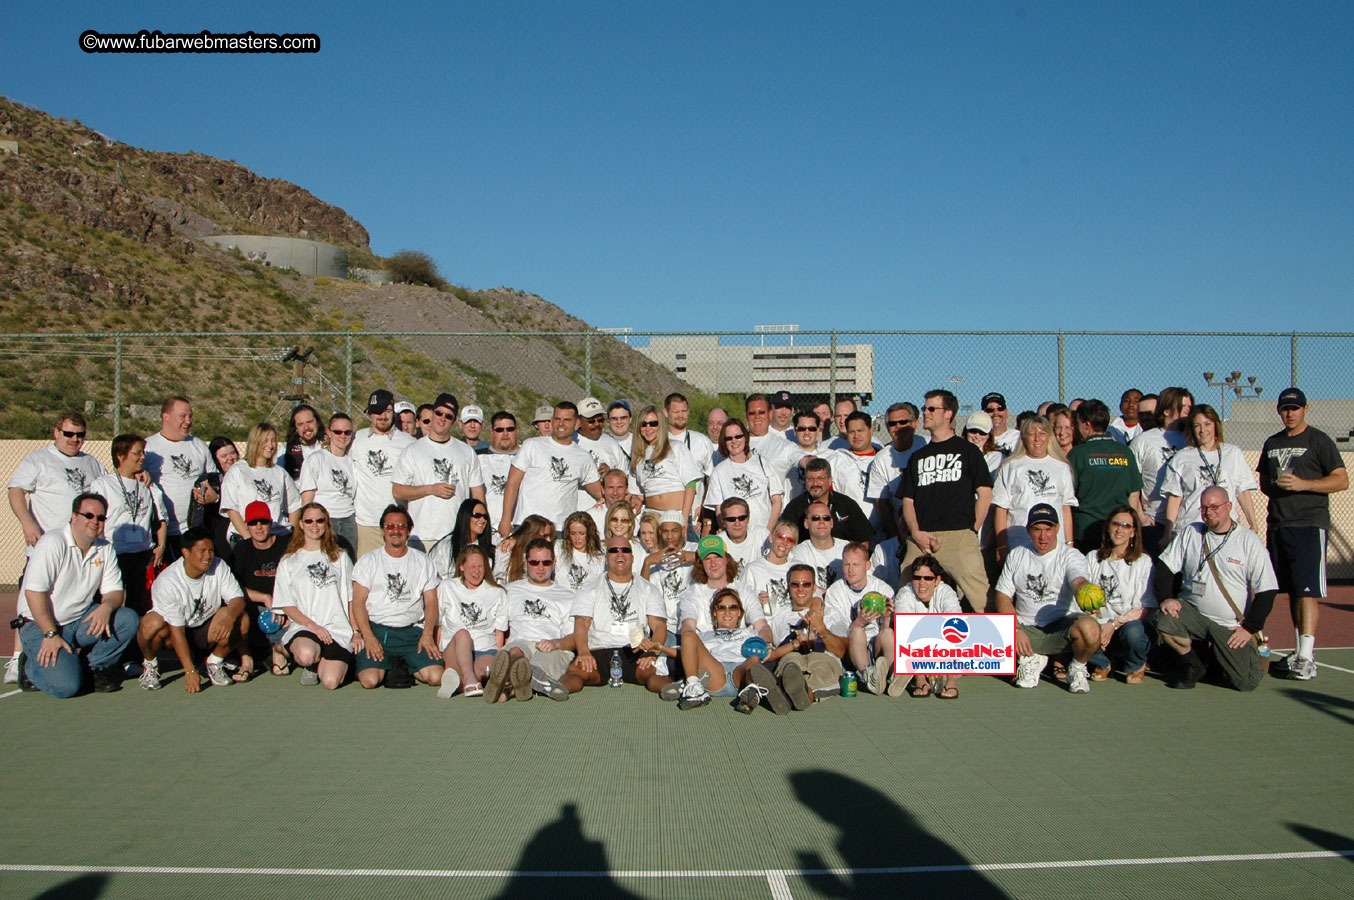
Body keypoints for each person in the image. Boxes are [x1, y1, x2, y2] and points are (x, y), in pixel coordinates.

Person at [1258, 387, 1349, 681]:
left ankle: (1307, 657)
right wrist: (1276, 485)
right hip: (1278, 525)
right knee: (1292, 591)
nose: (1290, 413)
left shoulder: (1319, 440)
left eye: (1295, 408)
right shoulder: (1272, 443)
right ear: (1279, 410)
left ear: (1305, 410)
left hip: (1309, 525)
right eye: (1285, 408)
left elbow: (1341, 480)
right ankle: (1300, 652)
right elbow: (1264, 480)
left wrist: (1302, 484)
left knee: (1307, 591)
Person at [1153, 486, 1277, 691]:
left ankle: (1215, 659)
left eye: (1214, 506)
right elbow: (1164, 567)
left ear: (1228, 506)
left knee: (1247, 682)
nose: (1208, 512)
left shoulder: (1249, 541)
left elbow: (1268, 590)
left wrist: (1249, 629)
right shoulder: (1191, 533)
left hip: (1229, 625)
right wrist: (1166, 597)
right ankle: (1192, 664)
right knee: (1164, 619)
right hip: (1193, 614)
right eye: (1204, 508)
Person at [15, 493, 136, 697]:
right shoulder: (52, 543)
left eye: (100, 517)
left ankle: (94, 668)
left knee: (127, 619)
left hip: (78, 621)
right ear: (73, 517)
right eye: (88, 515)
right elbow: (34, 593)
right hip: (40, 626)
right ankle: (29, 666)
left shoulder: (105, 549)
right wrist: (50, 634)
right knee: (66, 687)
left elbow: (114, 591)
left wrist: (106, 607)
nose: (95, 521)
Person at [896, 390, 993, 611]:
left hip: (960, 536)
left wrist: (972, 529)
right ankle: (902, 642)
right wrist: (916, 533)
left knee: (983, 599)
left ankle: (1001, 642)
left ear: (948, 413)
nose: (926, 413)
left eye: (932, 408)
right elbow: (908, 502)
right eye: (925, 408)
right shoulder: (917, 457)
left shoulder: (969, 451)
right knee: (905, 587)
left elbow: (985, 493)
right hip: (922, 537)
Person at [993, 503, 1098, 693]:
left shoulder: (1071, 556)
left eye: (1048, 529)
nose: (1043, 537)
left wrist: (1083, 589)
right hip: (1026, 629)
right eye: (1037, 529)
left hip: (1060, 629)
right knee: (991, 627)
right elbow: (1002, 596)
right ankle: (1032, 658)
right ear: (1028, 530)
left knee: (1090, 628)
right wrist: (1015, 629)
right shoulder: (1017, 555)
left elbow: (1078, 579)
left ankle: (1077, 666)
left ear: (1057, 529)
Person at [136, 528, 249, 691]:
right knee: (149, 623)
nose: (208, 556)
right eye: (202, 551)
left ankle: (213, 662)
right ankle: (150, 665)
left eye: (211, 550)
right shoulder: (168, 581)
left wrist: (230, 619)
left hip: (206, 628)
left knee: (241, 618)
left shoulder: (219, 565)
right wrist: (189, 671)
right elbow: (177, 631)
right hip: (175, 633)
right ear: (186, 553)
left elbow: (237, 598)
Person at [561, 535, 670, 695]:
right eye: (614, 550)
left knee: (652, 672)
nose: (620, 554)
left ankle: (670, 690)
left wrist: (652, 653)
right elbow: (581, 625)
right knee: (577, 671)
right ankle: (558, 690)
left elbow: (659, 626)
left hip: (635, 649)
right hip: (599, 649)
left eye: (625, 550)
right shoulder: (590, 587)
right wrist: (584, 652)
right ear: (606, 559)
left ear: (632, 558)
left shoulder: (648, 589)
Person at [350, 504, 443, 690]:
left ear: (409, 531)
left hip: (411, 632)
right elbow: (358, 603)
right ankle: (392, 665)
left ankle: (403, 664)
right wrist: (368, 636)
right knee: (369, 681)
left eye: (401, 526)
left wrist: (427, 635)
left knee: (436, 677)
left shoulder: (423, 561)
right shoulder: (368, 561)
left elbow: (431, 601)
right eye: (390, 526)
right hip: (378, 630)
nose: (395, 531)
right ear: (383, 531)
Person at [273, 502, 356, 689]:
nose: (314, 525)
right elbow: (287, 605)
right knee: (306, 655)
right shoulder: (288, 561)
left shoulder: (340, 557)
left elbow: (351, 599)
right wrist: (313, 626)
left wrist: (356, 632)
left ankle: (324, 661)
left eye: (319, 520)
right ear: (300, 524)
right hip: (306, 628)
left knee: (331, 682)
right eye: (308, 520)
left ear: (326, 523)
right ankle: (286, 651)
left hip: (336, 629)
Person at [671, 587, 789, 715]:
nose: (727, 612)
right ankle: (694, 689)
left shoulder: (751, 632)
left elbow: (770, 652)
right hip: (715, 672)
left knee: (754, 659)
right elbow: (686, 653)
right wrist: (659, 649)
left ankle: (751, 690)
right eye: (721, 608)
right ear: (715, 612)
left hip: (740, 673)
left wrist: (793, 644)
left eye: (732, 607)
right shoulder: (705, 635)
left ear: (739, 612)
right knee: (688, 635)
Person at [392, 392, 485, 552]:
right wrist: (430, 489)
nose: (442, 418)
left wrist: (479, 527)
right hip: (422, 536)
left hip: (457, 535)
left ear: (454, 422)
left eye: (448, 416)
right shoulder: (412, 450)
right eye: (439, 413)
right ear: (433, 413)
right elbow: (398, 491)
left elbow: (477, 494)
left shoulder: (466, 452)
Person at [8, 412, 106, 560]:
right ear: (56, 432)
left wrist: (138, 473)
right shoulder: (39, 459)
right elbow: (16, 491)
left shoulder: (92, 462)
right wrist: (28, 524)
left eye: (80, 435)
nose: (75, 439)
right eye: (69, 434)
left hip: (84, 550)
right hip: (48, 548)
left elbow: (109, 488)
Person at [90, 433, 167, 615]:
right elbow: (96, 520)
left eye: (143, 453)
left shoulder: (148, 485)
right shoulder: (103, 485)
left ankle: (135, 641)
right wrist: (100, 548)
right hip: (115, 553)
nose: (142, 457)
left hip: (142, 554)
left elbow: (160, 518)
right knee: (108, 601)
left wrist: (161, 546)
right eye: (137, 453)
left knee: (138, 604)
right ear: (120, 455)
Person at [1161, 403, 1258, 548]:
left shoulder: (1233, 453)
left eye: (1207, 424)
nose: (1202, 430)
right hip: (1192, 527)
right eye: (1197, 425)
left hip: (1225, 529)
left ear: (1215, 425)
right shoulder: (1182, 458)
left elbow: (1242, 491)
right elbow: (1175, 498)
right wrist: (1167, 534)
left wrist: (1253, 525)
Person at [499, 402, 602, 535]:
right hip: (528, 525)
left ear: (577, 423)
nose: (561, 424)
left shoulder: (583, 457)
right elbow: (512, 483)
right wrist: (506, 520)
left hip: (560, 529)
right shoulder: (532, 445)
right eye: (557, 419)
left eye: (567, 420)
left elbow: (599, 491)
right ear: (552, 420)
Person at [499, 538, 577, 701]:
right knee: (514, 653)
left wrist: (555, 643)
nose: (540, 568)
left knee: (536, 666)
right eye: (534, 562)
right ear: (525, 562)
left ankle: (508, 687)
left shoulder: (568, 596)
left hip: (553, 647)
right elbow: (498, 628)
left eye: (546, 562)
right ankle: (522, 684)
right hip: (521, 641)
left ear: (554, 563)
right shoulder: (509, 590)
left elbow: (574, 639)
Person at [1084, 506, 1155, 683]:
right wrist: (1093, 620)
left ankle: (1136, 665)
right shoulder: (1093, 558)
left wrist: (1113, 625)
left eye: (1126, 526)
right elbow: (1081, 599)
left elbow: (1144, 608)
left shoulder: (1143, 562)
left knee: (1135, 632)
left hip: (1127, 624)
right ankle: (1102, 663)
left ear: (1133, 532)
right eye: (1116, 524)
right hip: (1099, 624)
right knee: (1078, 626)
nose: (1119, 529)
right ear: (1108, 527)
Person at [760, 562, 846, 708]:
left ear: (814, 588)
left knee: (822, 670)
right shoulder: (778, 617)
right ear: (788, 586)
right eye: (795, 584)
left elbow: (840, 651)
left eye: (806, 584)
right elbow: (771, 651)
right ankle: (798, 695)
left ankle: (793, 696)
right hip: (791, 655)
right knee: (790, 665)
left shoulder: (831, 613)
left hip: (823, 656)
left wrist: (822, 629)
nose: (800, 589)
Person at [142, 398, 217, 561]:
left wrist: (214, 495)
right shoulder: (148, 447)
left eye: (190, 416)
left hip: (193, 532)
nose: (188, 421)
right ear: (165, 417)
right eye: (182, 416)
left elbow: (214, 480)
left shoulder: (199, 446)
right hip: (162, 534)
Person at [1067, 399, 1146, 552]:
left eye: (1077, 423)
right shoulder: (1125, 452)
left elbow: (1067, 495)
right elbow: (1134, 497)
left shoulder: (1077, 454)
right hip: (1119, 530)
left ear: (1086, 425)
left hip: (1086, 531)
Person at [991, 415, 1077, 557]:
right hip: (1019, 544)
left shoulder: (1062, 467)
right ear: (1023, 438)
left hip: (1055, 548)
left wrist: (1069, 544)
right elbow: (1001, 509)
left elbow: (1065, 508)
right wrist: (1001, 546)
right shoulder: (1010, 466)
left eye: (1042, 434)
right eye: (1031, 434)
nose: (1037, 439)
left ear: (1049, 437)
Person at [437, 545, 510, 699]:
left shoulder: (497, 592)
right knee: (463, 634)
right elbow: (439, 625)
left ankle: (461, 682)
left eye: (480, 566)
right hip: (455, 648)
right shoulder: (447, 587)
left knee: (485, 672)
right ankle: (469, 679)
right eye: (472, 567)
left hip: (484, 649)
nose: (476, 572)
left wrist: (497, 653)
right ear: (462, 567)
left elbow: (499, 634)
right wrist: (439, 653)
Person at [350, 388, 416, 557]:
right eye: (376, 411)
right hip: (366, 524)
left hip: (397, 524)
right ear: (369, 414)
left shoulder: (408, 442)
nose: (382, 416)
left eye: (386, 411)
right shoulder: (357, 439)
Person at [230, 500, 291, 677]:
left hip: (282, 607)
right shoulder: (241, 550)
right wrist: (264, 597)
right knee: (236, 609)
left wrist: (280, 605)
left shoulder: (285, 546)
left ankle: (277, 653)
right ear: (246, 526)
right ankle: (246, 660)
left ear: (270, 523)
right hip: (253, 605)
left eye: (263, 522)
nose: (258, 527)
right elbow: (233, 587)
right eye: (253, 523)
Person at [826, 542, 896, 695]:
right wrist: (859, 622)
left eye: (856, 564)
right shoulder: (835, 592)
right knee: (857, 631)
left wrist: (886, 619)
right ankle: (869, 677)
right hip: (852, 651)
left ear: (867, 565)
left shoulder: (883, 589)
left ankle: (891, 676)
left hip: (876, 647)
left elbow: (886, 630)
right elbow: (838, 636)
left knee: (888, 633)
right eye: (846, 564)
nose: (850, 570)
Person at [1131, 386, 1194, 551]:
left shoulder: (1191, 440)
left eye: (1190, 407)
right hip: (1154, 522)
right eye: (1184, 406)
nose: (1188, 411)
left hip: (1186, 522)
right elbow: (1132, 486)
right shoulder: (1143, 441)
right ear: (1166, 410)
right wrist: (1141, 518)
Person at [890, 556, 963, 698]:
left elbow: (955, 622)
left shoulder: (946, 592)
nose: (922, 583)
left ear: (937, 580)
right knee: (904, 634)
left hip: (943, 654)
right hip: (916, 652)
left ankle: (951, 681)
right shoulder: (905, 593)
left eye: (928, 578)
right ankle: (920, 678)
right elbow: (905, 628)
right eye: (917, 578)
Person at [219, 422, 301, 544]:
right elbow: (232, 509)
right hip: (246, 538)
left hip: (276, 537)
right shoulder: (238, 471)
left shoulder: (279, 472)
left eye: (273, 440)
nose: (270, 445)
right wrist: (248, 540)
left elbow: (295, 505)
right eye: (265, 440)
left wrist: (291, 535)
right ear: (255, 441)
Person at [706, 417, 786, 532]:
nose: (734, 441)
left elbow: (776, 500)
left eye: (738, 436)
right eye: (729, 438)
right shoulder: (719, 471)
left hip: (764, 531)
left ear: (745, 437)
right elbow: (719, 510)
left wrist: (768, 531)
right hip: (736, 536)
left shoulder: (763, 462)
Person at [679, 536, 767, 637]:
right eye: (707, 559)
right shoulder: (692, 594)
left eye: (717, 557)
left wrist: (765, 644)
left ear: (726, 559)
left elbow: (762, 627)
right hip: (706, 648)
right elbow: (688, 627)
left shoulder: (743, 590)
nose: (713, 564)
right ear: (701, 564)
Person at [629, 405, 699, 529]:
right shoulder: (638, 455)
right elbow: (637, 493)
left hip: (676, 515)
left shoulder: (675, 447)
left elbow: (691, 485)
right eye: (643, 424)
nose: (648, 428)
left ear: (661, 425)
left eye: (653, 423)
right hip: (651, 516)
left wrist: (683, 518)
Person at [298, 412, 358, 556]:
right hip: (325, 519)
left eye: (347, 432)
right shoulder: (316, 459)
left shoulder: (351, 462)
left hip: (348, 519)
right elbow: (307, 499)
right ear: (328, 433)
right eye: (337, 431)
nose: (342, 436)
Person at [867, 403, 927, 539]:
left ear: (915, 423)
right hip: (902, 528)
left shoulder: (927, 445)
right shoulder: (881, 459)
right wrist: (896, 536)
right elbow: (881, 502)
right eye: (893, 423)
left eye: (903, 422)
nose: (898, 427)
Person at [780, 457, 872, 544]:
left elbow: (863, 540)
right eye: (810, 479)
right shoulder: (795, 508)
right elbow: (783, 538)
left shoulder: (846, 505)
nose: (815, 483)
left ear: (830, 480)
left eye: (820, 478)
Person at [786, 410, 855, 502]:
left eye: (812, 428)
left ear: (818, 430)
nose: (807, 432)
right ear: (795, 431)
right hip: (791, 511)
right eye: (802, 428)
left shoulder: (831, 456)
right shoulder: (785, 454)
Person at [573, 396, 628, 508]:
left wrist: (610, 474)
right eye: (591, 421)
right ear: (579, 421)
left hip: (609, 509)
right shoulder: (572, 442)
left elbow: (625, 475)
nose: (597, 424)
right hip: (579, 507)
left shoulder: (611, 443)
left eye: (600, 420)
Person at [743, 521, 800, 620]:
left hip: (795, 621)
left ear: (793, 546)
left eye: (790, 540)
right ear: (771, 537)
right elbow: (741, 604)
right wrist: (756, 602)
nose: (784, 543)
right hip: (766, 625)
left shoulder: (799, 568)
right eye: (780, 537)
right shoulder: (753, 569)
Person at [789, 500, 850, 591]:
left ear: (831, 523)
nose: (821, 521)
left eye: (826, 518)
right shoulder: (799, 553)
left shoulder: (847, 549)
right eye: (815, 518)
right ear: (806, 524)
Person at [479, 411, 521, 538]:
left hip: (520, 530)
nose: (505, 433)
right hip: (486, 531)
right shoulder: (477, 458)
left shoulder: (529, 458)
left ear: (517, 431)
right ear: (492, 432)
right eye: (499, 429)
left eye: (510, 429)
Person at [432, 497, 495, 579]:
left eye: (485, 516)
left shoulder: (492, 546)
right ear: (465, 516)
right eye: (477, 515)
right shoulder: (445, 546)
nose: (482, 520)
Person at [744, 394, 801, 475]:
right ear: (746, 415)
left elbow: (802, 459)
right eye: (752, 413)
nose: (757, 417)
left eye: (761, 412)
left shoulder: (784, 445)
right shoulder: (735, 443)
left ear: (770, 414)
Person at [203, 437, 238, 559]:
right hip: (220, 531)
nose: (230, 458)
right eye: (224, 456)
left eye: (233, 453)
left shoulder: (243, 475)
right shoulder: (211, 481)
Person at [497, 515, 556, 583]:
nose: (549, 540)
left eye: (550, 536)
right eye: (544, 536)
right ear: (531, 535)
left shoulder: (551, 551)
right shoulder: (506, 549)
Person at [558, 510, 605, 592]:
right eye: (573, 533)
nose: (577, 538)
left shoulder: (599, 558)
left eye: (581, 533)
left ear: (589, 533)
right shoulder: (559, 548)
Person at [718, 497, 770, 569]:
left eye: (742, 518)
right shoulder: (717, 543)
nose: (737, 523)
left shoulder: (761, 535)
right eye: (731, 519)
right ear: (723, 521)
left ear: (748, 518)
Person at [279, 404, 325, 480]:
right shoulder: (285, 451)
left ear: (317, 422)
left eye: (309, 422)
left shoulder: (330, 446)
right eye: (300, 424)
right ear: (295, 428)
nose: (306, 427)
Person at [587, 469, 634, 537]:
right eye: (610, 487)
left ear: (626, 489)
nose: (615, 493)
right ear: (603, 490)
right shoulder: (591, 517)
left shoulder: (635, 513)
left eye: (619, 487)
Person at [980, 393, 1019, 457]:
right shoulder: (978, 439)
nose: (996, 413)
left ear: (1007, 412)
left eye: (1000, 408)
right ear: (983, 414)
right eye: (990, 409)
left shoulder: (1019, 437)